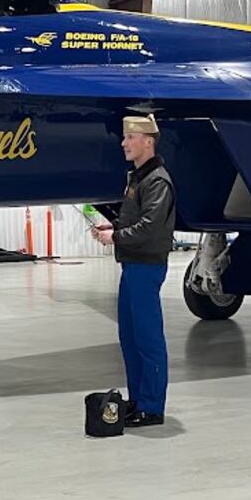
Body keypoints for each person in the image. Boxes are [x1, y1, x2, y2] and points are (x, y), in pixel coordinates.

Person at [93, 114, 176, 427]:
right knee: (129, 337)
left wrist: (114, 236)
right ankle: (138, 400)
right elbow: (135, 221)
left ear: (148, 142)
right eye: (125, 137)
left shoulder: (158, 181)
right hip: (131, 265)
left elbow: (151, 229)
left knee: (147, 339)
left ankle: (153, 408)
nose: (124, 143)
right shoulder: (139, 178)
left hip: (146, 266)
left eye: (130, 137)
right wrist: (113, 225)